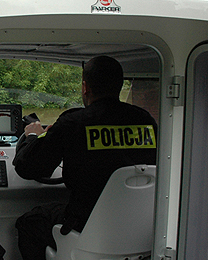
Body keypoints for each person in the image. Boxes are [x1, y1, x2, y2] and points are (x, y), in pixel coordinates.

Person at [12, 56, 157, 260]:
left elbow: (29, 168)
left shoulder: (74, 123)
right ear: (119, 85)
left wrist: (33, 137)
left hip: (84, 224)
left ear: (85, 87)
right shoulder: (146, 121)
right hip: (138, 229)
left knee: (29, 222)